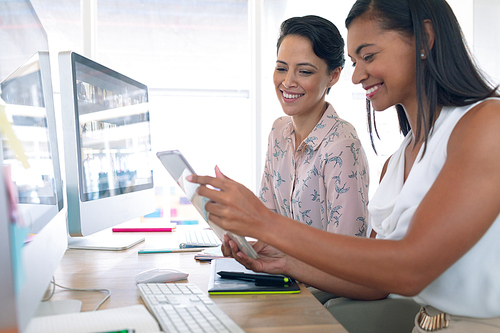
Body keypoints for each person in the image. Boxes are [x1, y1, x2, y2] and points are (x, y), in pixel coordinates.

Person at [189, 0, 500, 331]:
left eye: (368, 56)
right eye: (354, 61)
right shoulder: (397, 161)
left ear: (424, 39)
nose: (356, 76)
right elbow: (376, 283)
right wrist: (283, 262)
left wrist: (264, 222)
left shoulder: (486, 124)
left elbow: (409, 270)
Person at [260, 15, 369, 238]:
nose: (288, 82)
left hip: (318, 274)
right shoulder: (278, 132)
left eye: (305, 71)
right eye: (281, 68)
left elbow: (347, 253)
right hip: (278, 272)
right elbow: (266, 225)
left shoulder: (342, 146)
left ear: (334, 76)